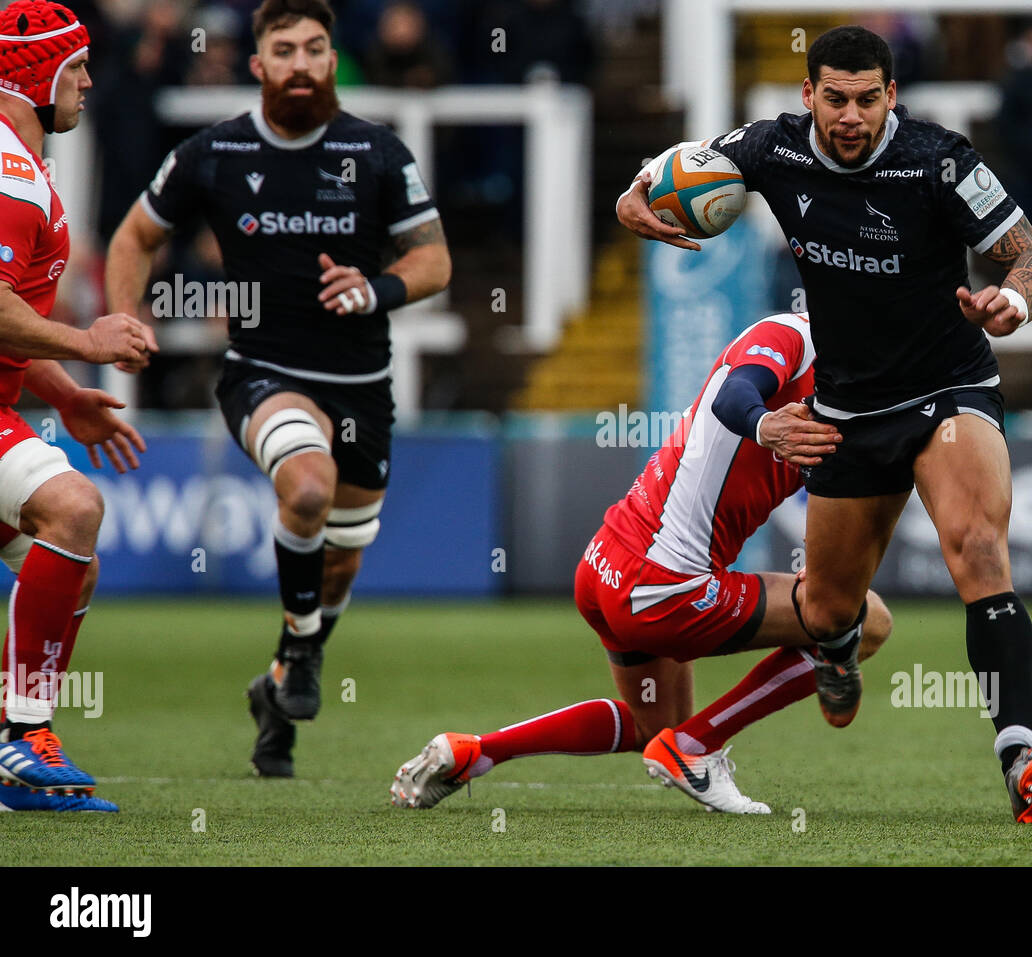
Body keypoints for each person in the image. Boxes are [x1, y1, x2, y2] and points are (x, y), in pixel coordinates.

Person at [617, 25, 1032, 822]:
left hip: (947, 386)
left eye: (867, 99)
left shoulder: (942, 159)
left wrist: (1014, 300)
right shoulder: (769, 148)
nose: (851, 115)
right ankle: (833, 657)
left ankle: (1022, 752)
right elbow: (654, 179)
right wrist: (634, 205)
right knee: (828, 610)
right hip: (850, 406)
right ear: (808, 96)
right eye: (835, 99)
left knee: (980, 548)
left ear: (891, 95)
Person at [103, 0, 451, 778]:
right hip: (264, 373)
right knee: (305, 489)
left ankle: (282, 683)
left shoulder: (378, 150)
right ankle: (299, 651)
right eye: (284, 49)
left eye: (316, 49)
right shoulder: (213, 151)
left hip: (363, 385)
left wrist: (377, 289)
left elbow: (435, 262)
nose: (301, 63)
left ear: (334, 61)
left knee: (341, 565)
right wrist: (125, 319)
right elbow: (135, 235)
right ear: (258, 66)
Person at [391, 313, 893, 814]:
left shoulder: (866, 395)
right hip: (666, 586)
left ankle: (474, 753)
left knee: (653, 724)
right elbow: (735, 395)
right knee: (864, 621)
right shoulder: (795, 335)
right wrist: (765, 425)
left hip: (606, 564)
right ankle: (696, 748)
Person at [0, 0, 156, 813]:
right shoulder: (3, 168)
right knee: (74, 506)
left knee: (70, 555)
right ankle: (23, 734)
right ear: (36, 73)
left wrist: (65, 394)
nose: (90, 81)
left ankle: (15, 746)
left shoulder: (25, 168)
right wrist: (89, 344)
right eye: (78, 66)